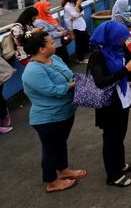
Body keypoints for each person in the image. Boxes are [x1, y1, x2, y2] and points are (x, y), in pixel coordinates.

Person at [21, 31, 86, 192]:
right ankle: (51, 182)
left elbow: (69, 75)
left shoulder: (54, 59)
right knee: (50, 148)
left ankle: (63, 170)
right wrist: (74, 85)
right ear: (41, 49)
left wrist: (75, 80)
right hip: (48, 118)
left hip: (65, 112)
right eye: (51, 42)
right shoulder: (33, 70)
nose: (54, 44)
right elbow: (53, 90)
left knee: (60, 143)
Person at [89, 21, 131, 187]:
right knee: (111, 139)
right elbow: (101, 82)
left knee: (120, 136)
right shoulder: (98, 55)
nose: (123, 42)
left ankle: (120, 164)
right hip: (110, 105)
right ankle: (113, 175)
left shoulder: (117, 50)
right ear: (111, 38)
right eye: (121, 39)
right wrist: (126, 70)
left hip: (122, 100)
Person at [34, 1, 71, 66]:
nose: (49, 8)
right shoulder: (38, 21)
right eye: (47, 6)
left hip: (59, 43)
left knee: (65, 59)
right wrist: (60, 33)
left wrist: (63, 30)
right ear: (41, 8)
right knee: (61, 62)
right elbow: (45, 34)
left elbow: (57, 25)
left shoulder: (48, 16)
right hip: (53, 45)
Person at [62, 0, 89, 64]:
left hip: (81, 25)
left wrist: (75, 15)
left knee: (85, 41)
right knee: (79, 43)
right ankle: (81, 59)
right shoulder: (67, 6)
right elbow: (75, 14)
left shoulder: (75, 3)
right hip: (75, 27)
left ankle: (83, 56)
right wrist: (77, 7)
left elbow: (82, 12)